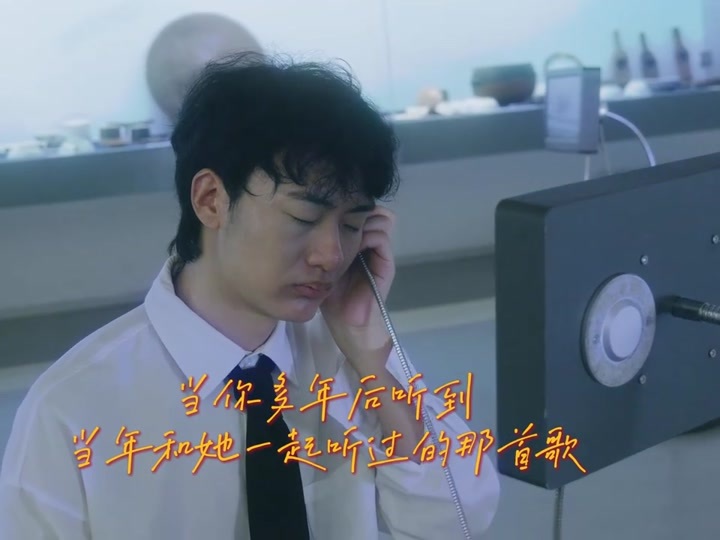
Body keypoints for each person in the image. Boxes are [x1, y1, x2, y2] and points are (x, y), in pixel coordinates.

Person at [0, 53, 500, 539]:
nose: (330, 255)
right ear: (211, 200)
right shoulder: (71, 407)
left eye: (352, 225)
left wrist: (372, 355)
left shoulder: (350, 360)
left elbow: (459, 519)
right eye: (303, 218)